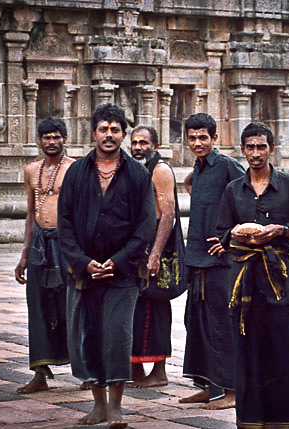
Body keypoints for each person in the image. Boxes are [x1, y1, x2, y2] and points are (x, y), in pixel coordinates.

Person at [215, 122, 289, 429]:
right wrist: (232, 234)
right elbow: (221, 233)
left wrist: (283, 230)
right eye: (250, 147)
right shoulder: (234, 190)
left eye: (261, 147)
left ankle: (283, 419)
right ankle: (250, 419)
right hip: (243, 279)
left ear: (270, 149)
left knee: (279, 346)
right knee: (247, 348)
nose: (256, 153)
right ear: (243, 149)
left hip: (277, 278)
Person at [58, 103, 156, 428]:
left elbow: (145, 226)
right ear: (94, 132)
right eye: (104, 129)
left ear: (124, 134)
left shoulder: (137, 174)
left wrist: (118, 260)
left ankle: (116, 407)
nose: (109, 135)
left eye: (115, 130)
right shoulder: (76, 172)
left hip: (122, 274)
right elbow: (65, 224)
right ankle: (97, 405)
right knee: (90, 338)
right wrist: (84, 263)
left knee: (117, 336)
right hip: (86, 274)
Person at [180, 113, 245, 410]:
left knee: (221, 326)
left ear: (214, 138)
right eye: (192, 138)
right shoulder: (200, 166)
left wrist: (229, 240)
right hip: (197, 258)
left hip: (221, 263)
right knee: (197, 324)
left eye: (203, 137)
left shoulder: (228, 166)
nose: (197, 143)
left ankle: (231, 391)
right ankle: (209, 385)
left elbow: (248, 203)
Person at [14, 117, 74, 394]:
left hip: (67, 245)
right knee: (37, 307)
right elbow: (30, 213)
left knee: (73, 306)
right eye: (46, 137)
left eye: (56, 137)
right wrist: (24, 254)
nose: (52, 142)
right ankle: (40, 372)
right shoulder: (31, 170)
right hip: (40, 244)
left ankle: (85, 369)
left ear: (64, 138)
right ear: (39, 140)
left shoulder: (74, 169)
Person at [128, 125, 182, 388]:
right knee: (135, 310)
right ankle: (135, 369)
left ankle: (158, 372)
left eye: (144, 143)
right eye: (135, 142)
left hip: (155, 248)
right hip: (137, 246)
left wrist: (156, 254)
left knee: (155, 308)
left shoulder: (159, 170)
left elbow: (168, 214)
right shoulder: (134, 168)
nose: (138, 147)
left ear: (155, 146)